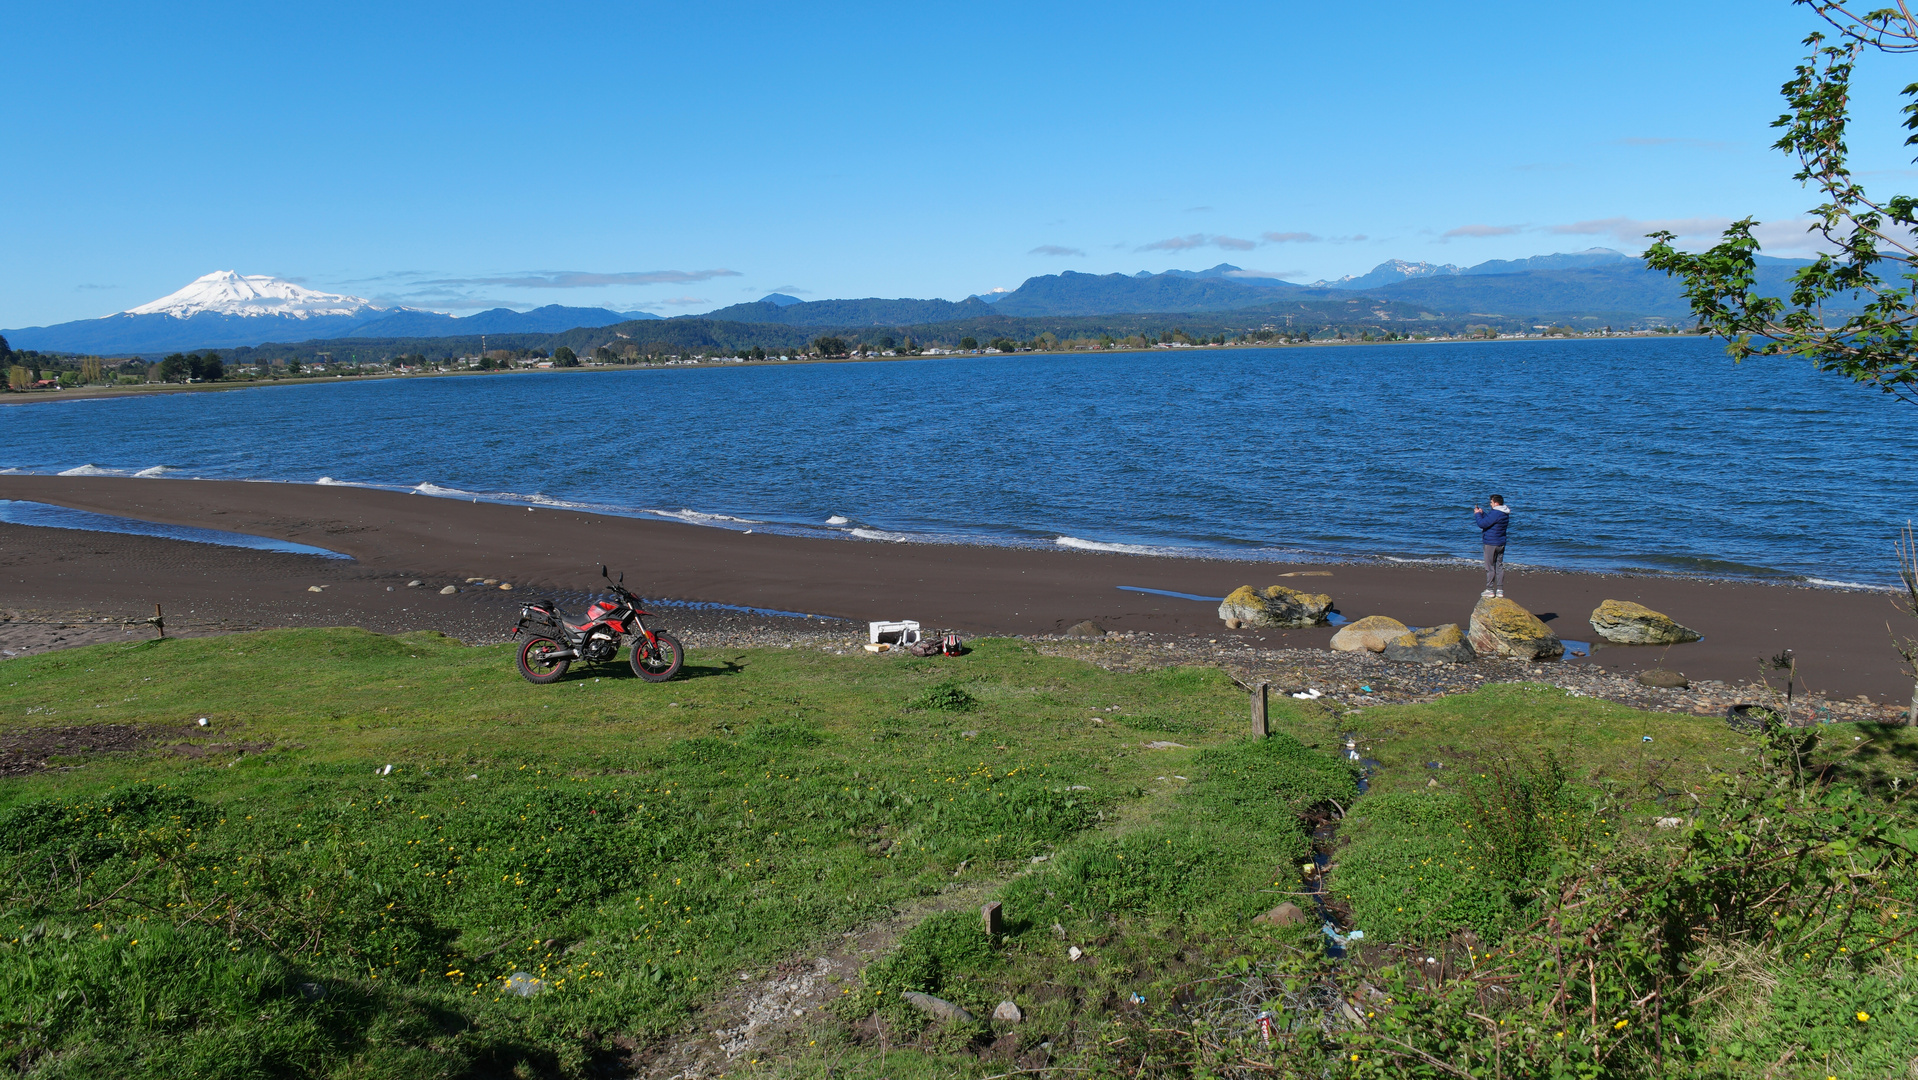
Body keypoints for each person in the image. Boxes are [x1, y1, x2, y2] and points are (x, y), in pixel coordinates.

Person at [1472, 495, 1510, 598]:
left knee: (1490, 567)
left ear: (1496, 503)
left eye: (1491, 502)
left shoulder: (1496, 513)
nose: (1490, 504)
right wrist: (1482, 513)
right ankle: (1500, 590)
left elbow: (1482, 524)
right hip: (1500, 543)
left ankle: (1489, 589)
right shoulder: (1504, 513)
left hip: (1491, 543)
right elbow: (1490, 521)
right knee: (1499, 565)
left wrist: (1477, 515)